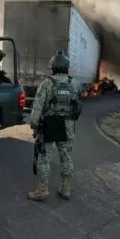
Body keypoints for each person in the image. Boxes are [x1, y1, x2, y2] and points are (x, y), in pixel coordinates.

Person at [27, 51, 82, 201]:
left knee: (44, 157)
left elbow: (37, 108)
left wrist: (34, 126)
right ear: (66, 67)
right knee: (66, 157)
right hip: (68, 125)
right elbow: (77, 104)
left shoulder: (47, 83)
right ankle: (66, 189)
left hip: (49, 125)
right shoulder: (75, 84)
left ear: (52, 67)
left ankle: (42, 190)